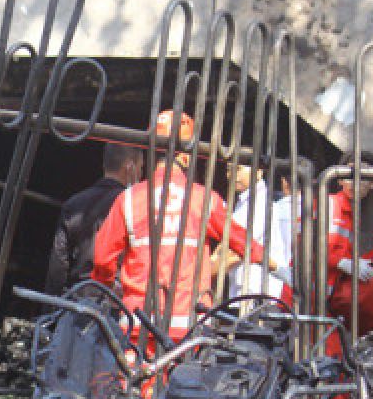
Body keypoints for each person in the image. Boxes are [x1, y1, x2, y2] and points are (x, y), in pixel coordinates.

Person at [92, 110, 267, 341]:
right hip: (189, 332)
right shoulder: (204, 199)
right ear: (185, 154)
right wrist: (271, 262)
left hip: (139, 327)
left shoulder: (129, 199)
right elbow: (242, 242)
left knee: (135, 376)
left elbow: (103, 259)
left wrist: (102, 288)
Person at [44, 142, 144, 297]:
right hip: (116, 304)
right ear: (130, 167)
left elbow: (58, 268)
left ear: (105, 164)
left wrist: (51, 312)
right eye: (141, 168)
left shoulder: (74, 204)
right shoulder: (135, 208)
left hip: (78, 301)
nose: (141, 174)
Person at [325, 150, 373, 335]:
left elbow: (346, 257)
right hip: (310, 300)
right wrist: (344, 263)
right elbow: (308, 251)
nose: (355, 182)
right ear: (339, 178)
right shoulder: (328, 205)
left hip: (328, 303)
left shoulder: (354, 214)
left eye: (364, 177)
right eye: (350, 175)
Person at [225, 161, 288, 299]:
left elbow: (239, 248)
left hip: (257, 293)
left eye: (239, 168)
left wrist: (206, 272)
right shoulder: (244, 202)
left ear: (259, 172)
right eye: (229, 170)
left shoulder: (260, 203)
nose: (232, 175)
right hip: (245, 292)